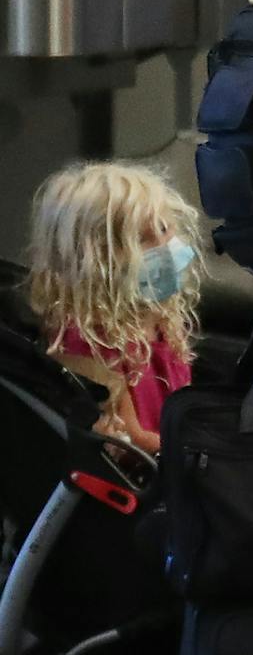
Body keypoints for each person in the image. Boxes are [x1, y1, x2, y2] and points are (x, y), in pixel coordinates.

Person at [25, 163, 202, 455]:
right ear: (91, 262)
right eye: (141, 239)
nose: (163, 246)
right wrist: (209, 454)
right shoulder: (88, 341)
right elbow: (131, 442)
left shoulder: (161, 318)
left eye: (163, 228)